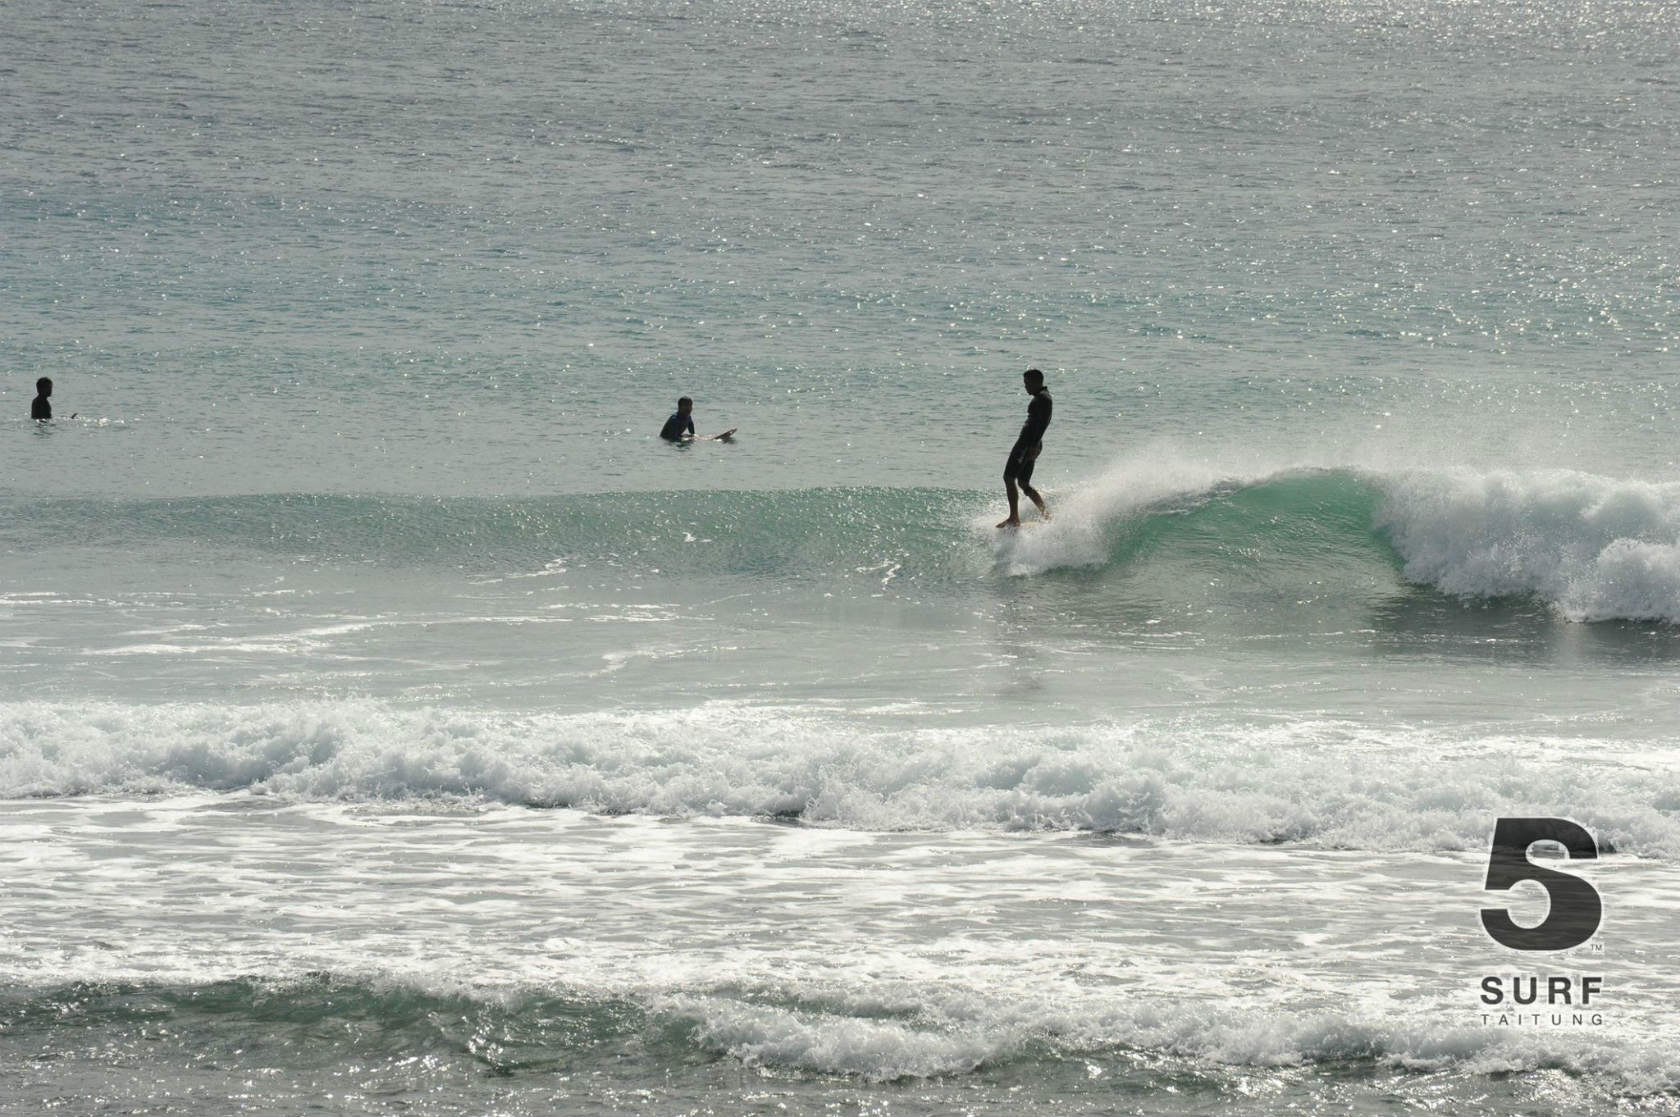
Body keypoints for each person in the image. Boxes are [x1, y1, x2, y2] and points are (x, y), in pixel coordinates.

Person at [998, 368, 1052, 527]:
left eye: (1027, 383)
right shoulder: (1043, 397)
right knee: (1023, 483)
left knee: (1008, 478)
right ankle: (1047, 516)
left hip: (1027, 443)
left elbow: (1042, 423)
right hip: (1032, 443)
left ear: (1036, 382)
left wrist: (1033, 445)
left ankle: (1014, 518)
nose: (1025, 386)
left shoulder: (1042, 399)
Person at [659, 396, 734, 442]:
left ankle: (711, 438)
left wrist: (693, 435)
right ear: (679, 407)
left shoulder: (688, 417)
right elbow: (673, 439)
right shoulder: (675, 419)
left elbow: (691, 428)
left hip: (677, 436)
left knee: (696, 437)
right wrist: (690, 439)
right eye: (686, 406)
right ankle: (710, 440)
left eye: (690, 406)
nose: (689, 408)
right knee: (696, 439)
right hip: (667, 439)